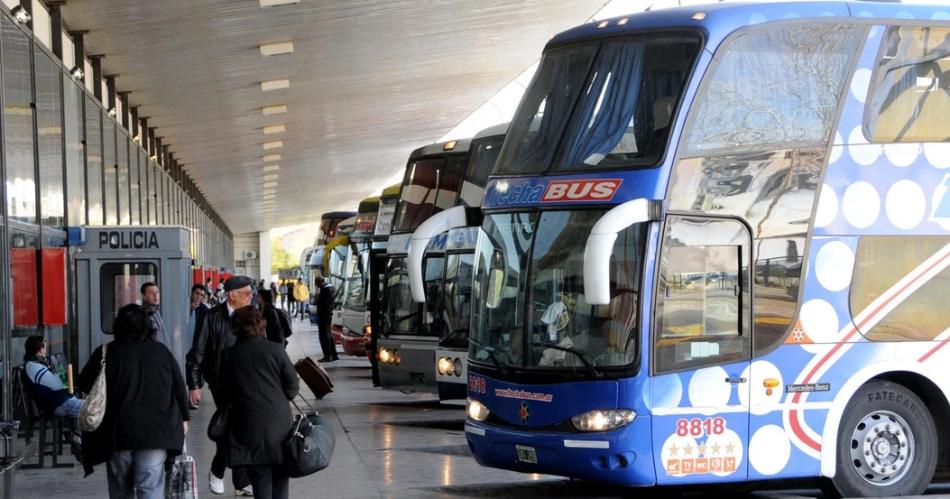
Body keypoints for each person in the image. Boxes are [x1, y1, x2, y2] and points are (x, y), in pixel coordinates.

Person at [78, 304, 189, 499]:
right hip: (155, 432)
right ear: (148, 326)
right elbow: (179, 387)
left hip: (117, 433)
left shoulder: (105, 352)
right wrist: (184, 418)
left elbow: (84, 383)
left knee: (121, 489)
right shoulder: (161, 352)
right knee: (151, 487)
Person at [219, 306, 299, 499]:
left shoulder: (229, 354)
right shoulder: (275, 349)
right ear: (261, 325)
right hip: (279, 423)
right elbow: (293, 386)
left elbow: (224, 391)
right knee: (281, 474)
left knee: (260, 475)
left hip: (247, 422)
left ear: (235, 327)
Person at [186, 275, 255, 496]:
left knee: (240, 428)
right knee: (234, 427)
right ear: (232, 295)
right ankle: (221, 472)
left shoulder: (252, 315)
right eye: (247, 293)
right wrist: (194, 385)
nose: (251, 296)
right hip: (221, 383)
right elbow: (196, 354)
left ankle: (237, 481)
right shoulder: (210, 317)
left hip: (248, 382)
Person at [23, 335, 84, 417]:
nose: (45, 350)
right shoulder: (33, 366)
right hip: (58, 404)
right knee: (95, 408)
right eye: (44, 347)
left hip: (62, 401)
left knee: (95, 407)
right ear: (39, 350)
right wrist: (59, 371)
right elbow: (58, 385)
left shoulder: (35, 364)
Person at [188, 284, 211, 409]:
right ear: (191, 293)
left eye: (202, 295)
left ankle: (194, 398)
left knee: (197, 370)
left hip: (197, 345)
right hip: (185, 342)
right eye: (197, 293)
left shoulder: (205, 311)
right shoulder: (184, 306)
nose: (199, 297)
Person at [315, 276, 338, 362]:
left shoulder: (325, 291)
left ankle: (327, 356)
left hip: (324, 316)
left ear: (320, 282)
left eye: (317, 284)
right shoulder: (330, 289)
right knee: (328, 334)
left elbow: (324, 304)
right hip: (327, 315)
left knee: (324, 336)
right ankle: (334, 355)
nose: (316, 286)